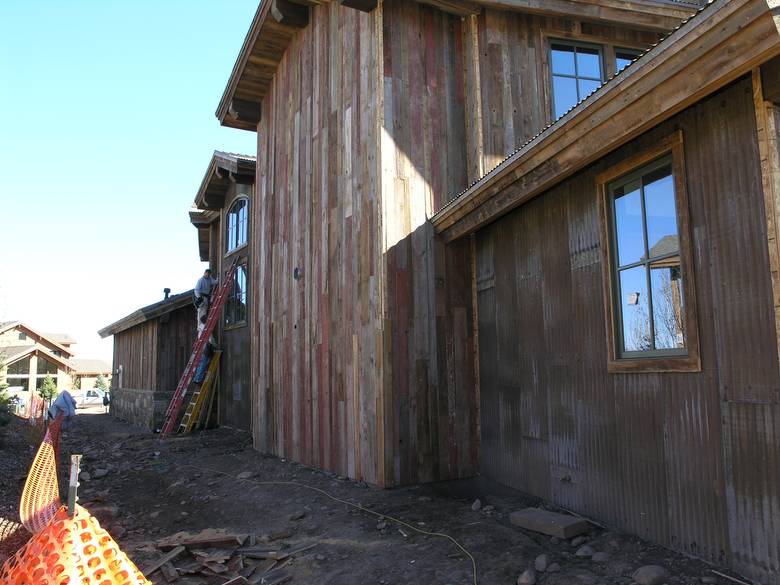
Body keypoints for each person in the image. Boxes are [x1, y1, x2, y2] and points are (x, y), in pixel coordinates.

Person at [193, 316, 216, 385]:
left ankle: (197, 378)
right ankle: (199, 379)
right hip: (206, 346)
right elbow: (210, 339)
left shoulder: (200, 327)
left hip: (201, 346)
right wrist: (215, 345)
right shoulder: (206, 328)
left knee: (202, 362)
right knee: (204, 362)